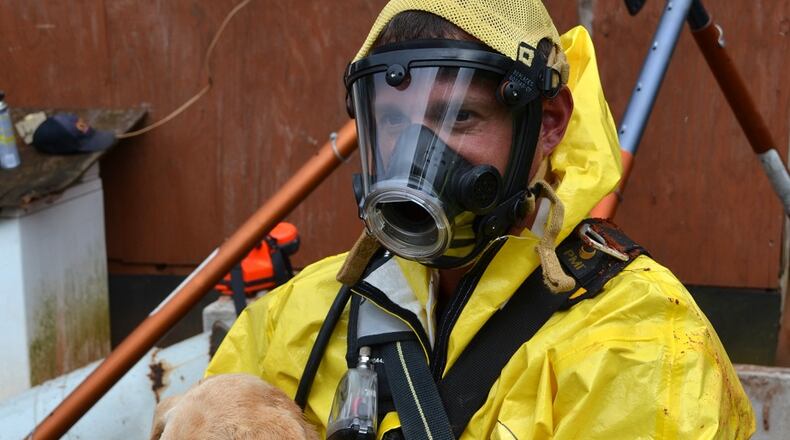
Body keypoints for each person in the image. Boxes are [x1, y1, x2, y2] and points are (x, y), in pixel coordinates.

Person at [206, 1, 755, 438]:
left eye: (460, 116)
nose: (414, 158)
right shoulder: (298, 316)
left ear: (548, 123)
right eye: (393, 121)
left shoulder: (637, 345)